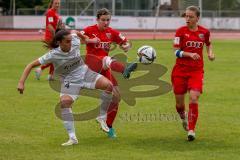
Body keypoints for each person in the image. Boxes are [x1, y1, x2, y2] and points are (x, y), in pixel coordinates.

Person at [17, 29, 118, 146]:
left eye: (71, 41)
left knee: (109, 86)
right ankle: (72, 138)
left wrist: (85, 39)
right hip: (70, 82)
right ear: (60, 42)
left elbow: (74, 31)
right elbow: (31, 65)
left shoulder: (74, 40)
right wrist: (21, 82)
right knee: (65, 103)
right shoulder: (53, 54)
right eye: (67, 42)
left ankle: (101, 116)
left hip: (86, 74)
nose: (71, 43)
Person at [81, 8, 137, 138]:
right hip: (91, 65)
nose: (106, 23)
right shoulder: (89, 30)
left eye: (108, 20)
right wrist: (90, 41)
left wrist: (126, 46)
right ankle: (125, 69)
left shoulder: (111, 32)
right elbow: (77, 37)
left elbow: (127, 42)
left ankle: (108, 125)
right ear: (97, 19)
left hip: (105, 67)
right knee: (107, 59)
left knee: (116, 96)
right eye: (103, 20)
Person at [171, 6, 215, 141]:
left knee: (194, 97)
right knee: (179, 104)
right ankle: (183, 118)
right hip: (180, 71)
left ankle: (191, 130)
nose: (187, 19)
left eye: (190, 17)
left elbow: (208, 43)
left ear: (197, 18)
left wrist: (210, 53)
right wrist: (189, 54)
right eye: (186, 16)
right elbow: (176, 52)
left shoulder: (204, 32)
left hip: (196, 71)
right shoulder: (180, 32)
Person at [35, 0, 62, 81]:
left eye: (58, 3)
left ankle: (49, 74)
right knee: (56, 56)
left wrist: (59, 25)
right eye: (55, 3)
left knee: (55, 56)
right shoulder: (50, 12)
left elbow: (55, 26)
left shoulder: (55, 13)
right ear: (52, 4)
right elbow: (49, 26)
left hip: (53, 36)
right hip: (50, 37)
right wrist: (55, 37)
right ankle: (42, 70)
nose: (57, 5)